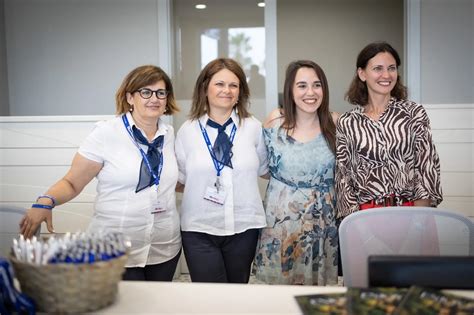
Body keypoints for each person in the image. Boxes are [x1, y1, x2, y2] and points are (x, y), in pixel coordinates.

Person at [19, 65, 182, 281]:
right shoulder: (106, 133)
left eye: (161, 93)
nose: (154, 98)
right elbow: (72, 182)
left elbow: (173, 181)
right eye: (145, 92)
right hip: (114, 249)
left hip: (164, 247)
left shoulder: (169, 135)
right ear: (130, 98)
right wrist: (46, 201)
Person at [335, 42, 443, 281]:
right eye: (378, 68)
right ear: (362, 73)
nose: (386, 75)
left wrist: (417, 226)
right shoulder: (347, 123)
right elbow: (344, 180)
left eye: (392, 68)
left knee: (416, 294)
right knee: (367, 294)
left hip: (413, 215)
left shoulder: (414, 113)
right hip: (364, 220)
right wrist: (363, 232)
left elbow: (426, 168)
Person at [175, 58, 268, 283]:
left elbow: (266, 170)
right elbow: (179, 179)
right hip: (199, 228)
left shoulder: (254, 127)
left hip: (244, 227)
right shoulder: (187, 131)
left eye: (234, 85)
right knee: (210, 298)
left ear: (240, 92)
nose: (227, 90)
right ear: (205, 87)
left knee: (237, 293)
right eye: (220, 84)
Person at [253, 60, 339, 285]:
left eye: (317, 85)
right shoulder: (275, 121)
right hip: (281, 223)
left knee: (318, 295)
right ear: (290, 90)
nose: (310, 92)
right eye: (302, 85)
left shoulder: (336, 122)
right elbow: (262, 168)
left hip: (322, 223)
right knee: (277, 295)